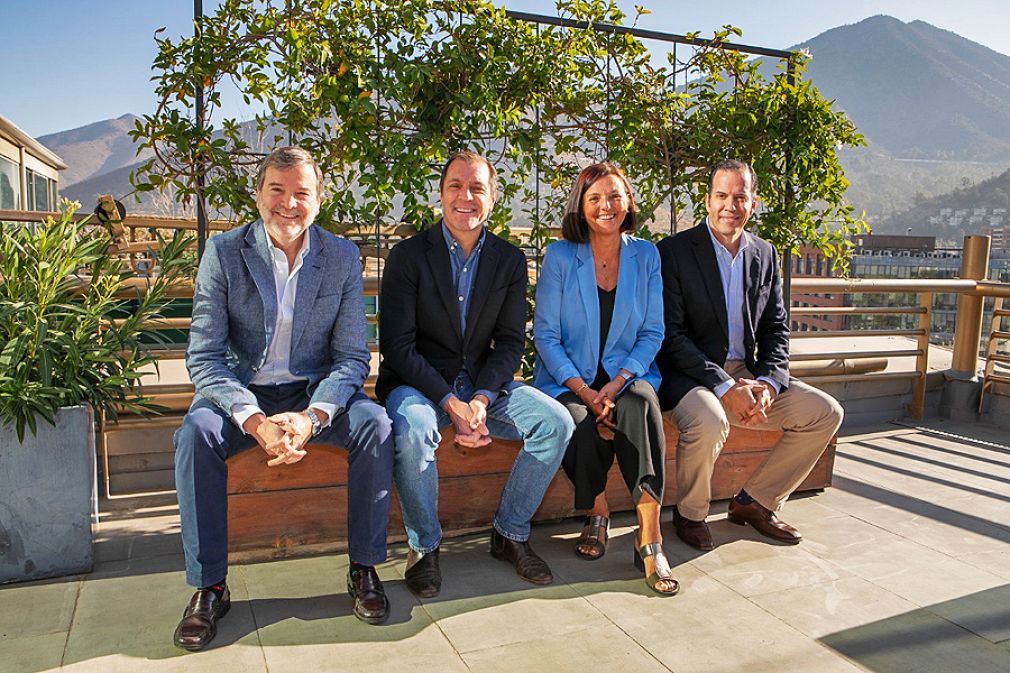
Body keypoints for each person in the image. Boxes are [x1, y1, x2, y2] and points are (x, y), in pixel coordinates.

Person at [172, 147, 394, 650]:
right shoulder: (225, 252)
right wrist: (254, 420)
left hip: (312, 389)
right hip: (240, 389)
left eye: (302, 193)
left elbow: (352, 358)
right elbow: (204, 356)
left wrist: (312, 417)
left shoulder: (340, 255)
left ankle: (363, 568)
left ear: (318, 201)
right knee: (196, 434)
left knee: (376, 425)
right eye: (278, 190)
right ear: (259, 195)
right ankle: (209, 587)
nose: (289, 203)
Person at [378, 151, 574, 598]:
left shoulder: (508, 259)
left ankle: (509, 533)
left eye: (477, 188)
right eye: (456, 186)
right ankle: (424, 547)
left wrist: (482, 399)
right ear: (441, 194)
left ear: (492, 198)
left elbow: (509, 342)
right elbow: (398, 347)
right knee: (413, 429)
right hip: (418, 384)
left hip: (484, 385)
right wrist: (451, 402)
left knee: (555, 421)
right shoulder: (408, 256)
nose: (465, 197)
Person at [656, 159, 843, 551]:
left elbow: (777, 327)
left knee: (825, 412)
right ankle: (690, 514)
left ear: (752, 204)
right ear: (707, 201)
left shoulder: (765, 254)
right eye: (721, 195)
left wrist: (769, 383)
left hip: (749, 375)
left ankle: (754, 502)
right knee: (709, 419)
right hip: (690, 377)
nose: (730, 205)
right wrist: (725, 387)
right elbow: (670, 337)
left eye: (740, 197)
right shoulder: (674, 252)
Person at [533, 162, 678, 595]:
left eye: (615, 196)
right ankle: (596, 512)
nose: (606, 206)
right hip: (569, 377)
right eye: (594, 197)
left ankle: (649, 536)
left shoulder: (646, 255)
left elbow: (654, 330)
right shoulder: (560, 256)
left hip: (627, 373)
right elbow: (546, 334)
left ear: (628, 202)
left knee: (642, 406)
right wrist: (584, 389)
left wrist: (616, 384)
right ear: (580, 205)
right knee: (576, 421)